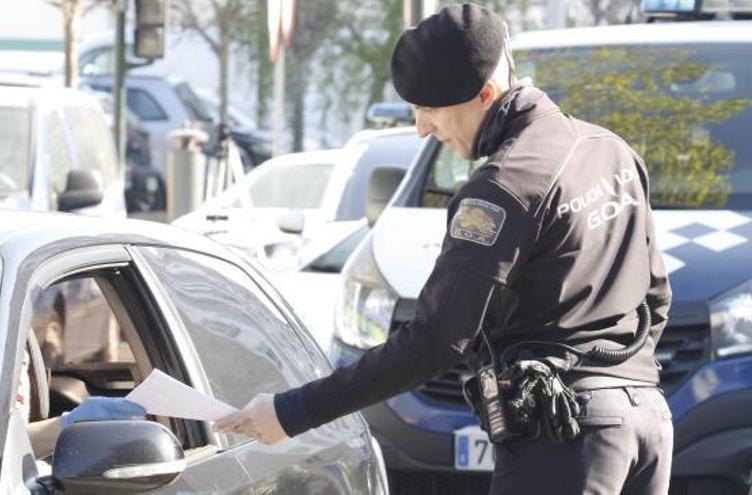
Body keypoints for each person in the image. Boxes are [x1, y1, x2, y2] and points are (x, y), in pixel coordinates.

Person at [214, 4, 673, 494]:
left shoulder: (502, 188)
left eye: (429, 108)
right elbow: (657, 297)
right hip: (647, 422)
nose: (420, 128)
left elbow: (436, 339)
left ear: (485, 95)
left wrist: (292, 411)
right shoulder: (612, 150)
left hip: (563, 437)